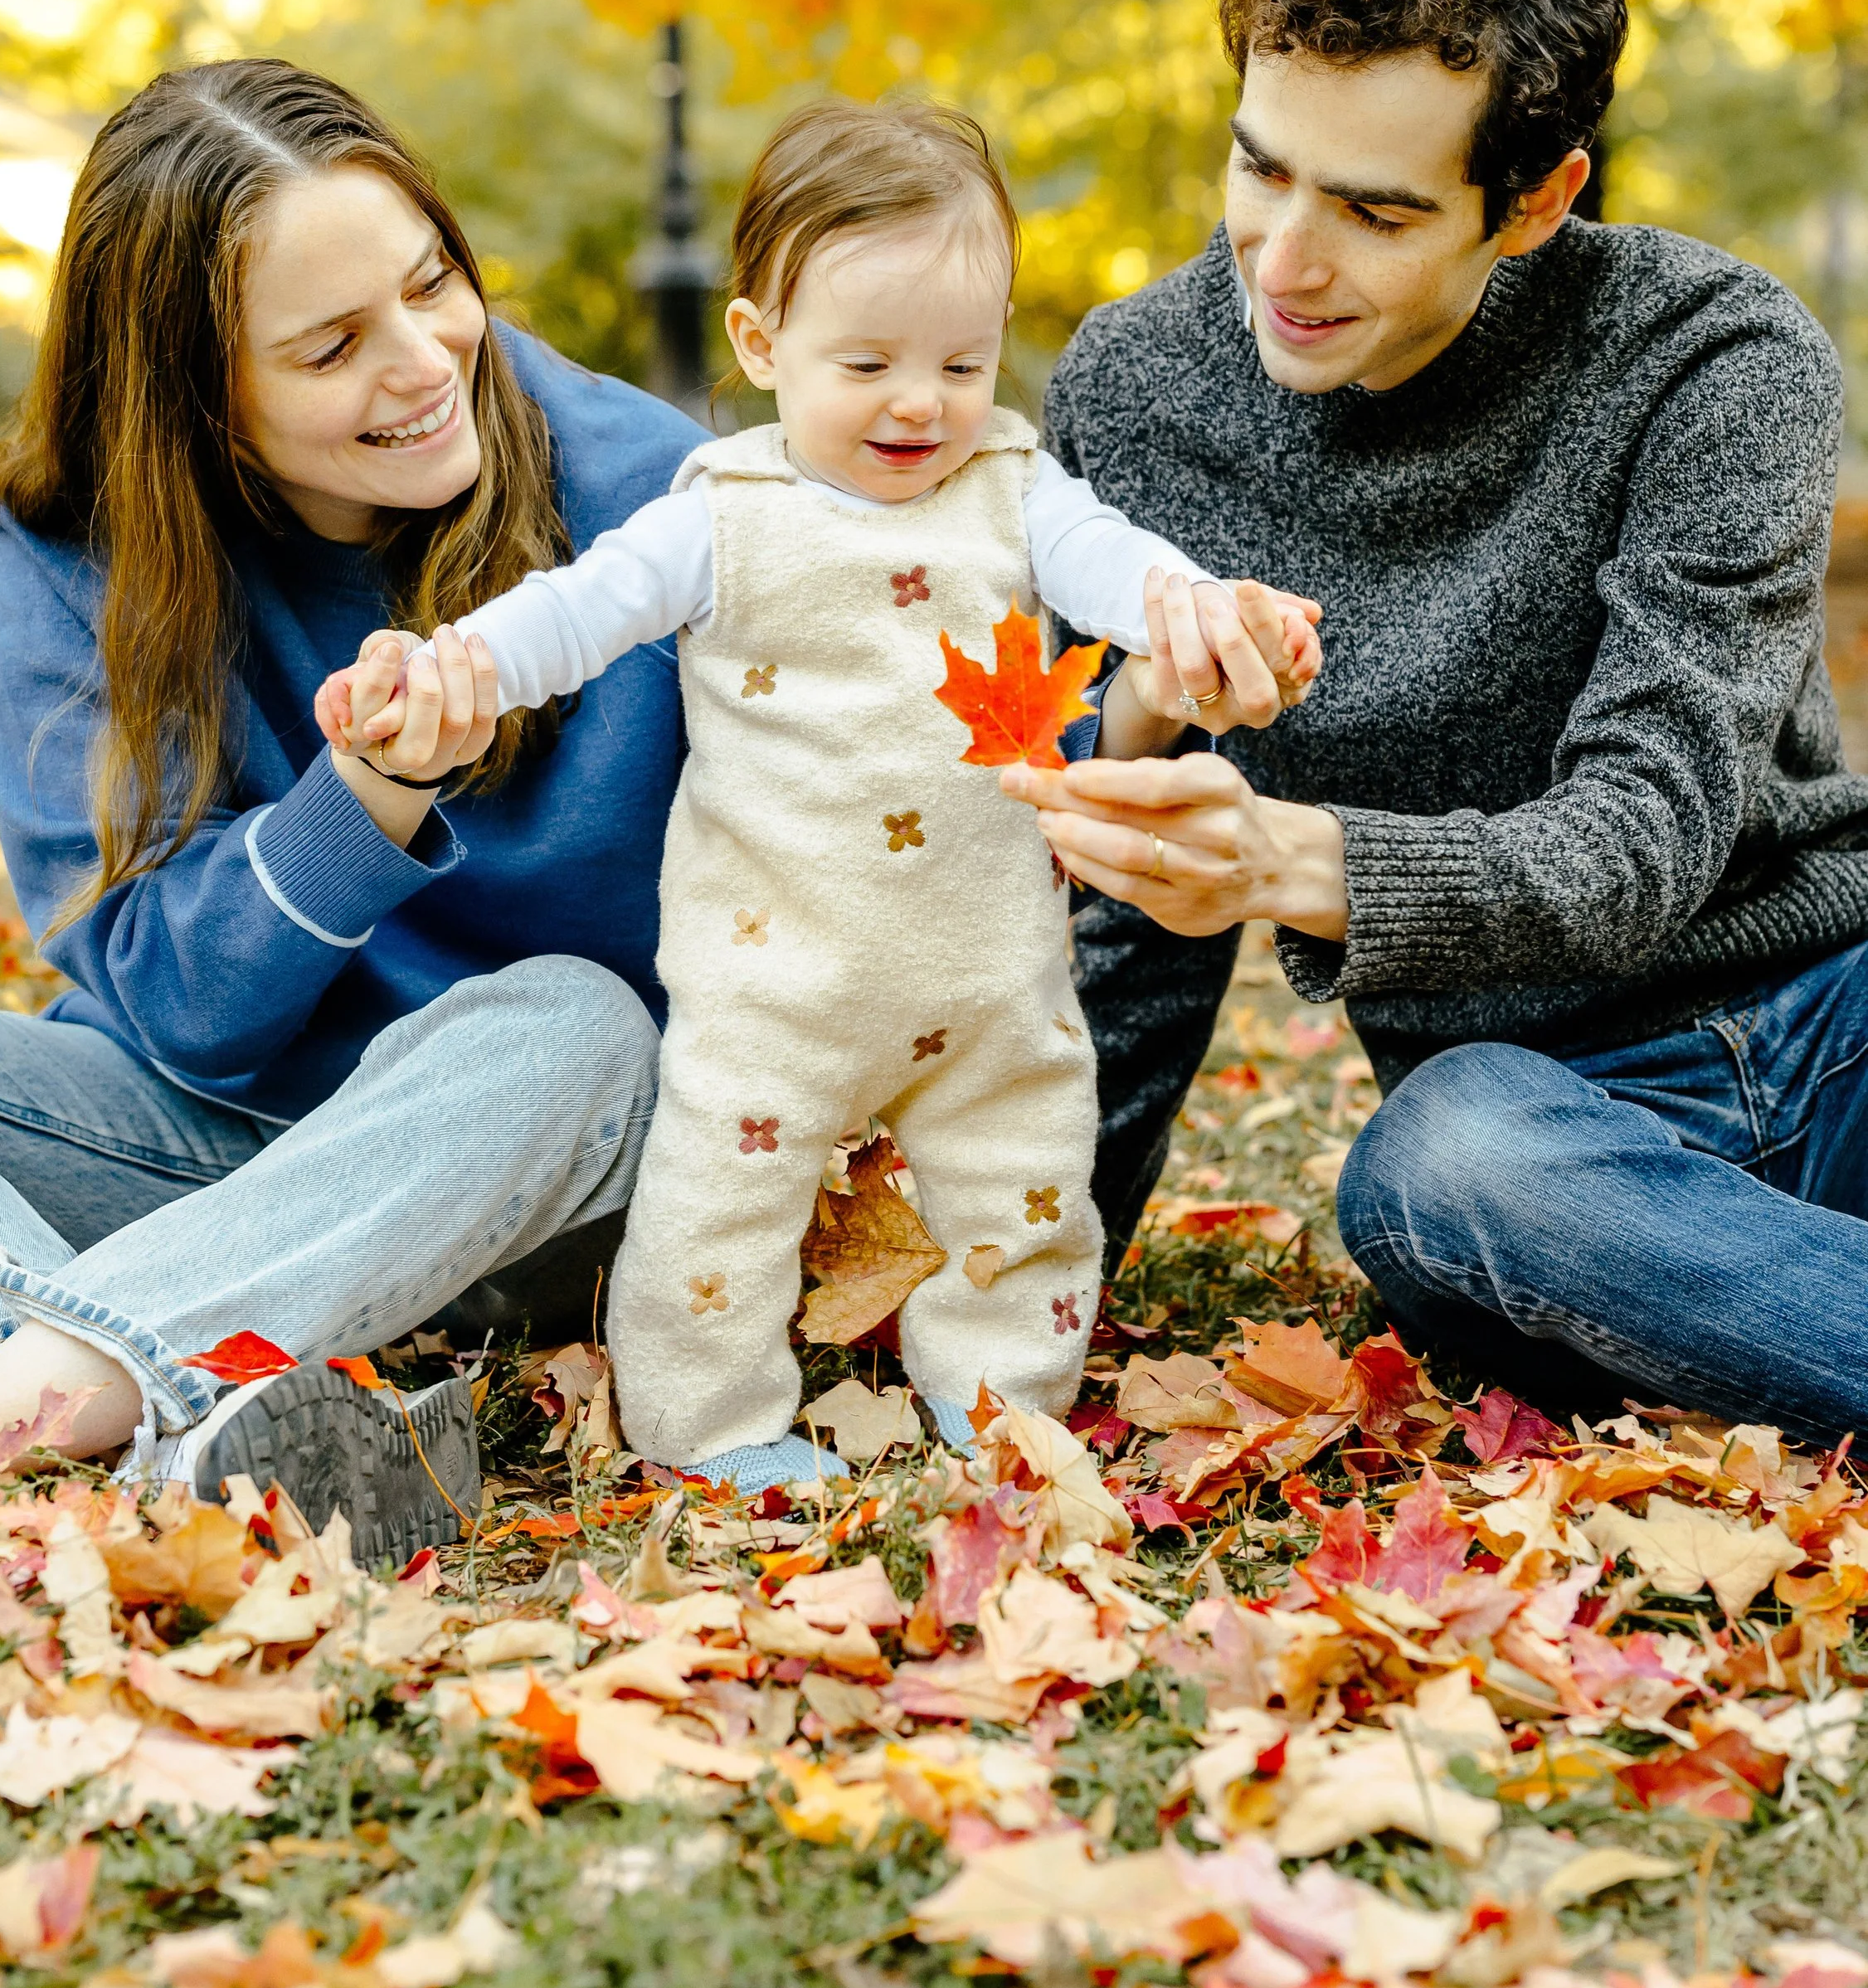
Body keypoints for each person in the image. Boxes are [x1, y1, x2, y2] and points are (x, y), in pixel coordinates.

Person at [1005, 0, 1868, 1444]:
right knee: (1432, 1163)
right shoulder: (1134, 396)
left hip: (1832, 1012)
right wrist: (1035, 1294)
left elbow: (1639, 842)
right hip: (1538, 1136)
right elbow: (1129, 915)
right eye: (1258, 165)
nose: (1282, 259)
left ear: (1533, 202)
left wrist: (1282, 860)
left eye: (1373, 209)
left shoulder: (1716, 359)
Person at [323, 101, 1321, 1494]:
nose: (921, 401)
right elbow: (576, 612)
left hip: (988, 968)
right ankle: (713, 1420)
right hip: (774, 970)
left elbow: (1118, 564)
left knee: (1024, 1182)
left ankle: (1001, 1401)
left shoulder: (1013, 490)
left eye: (962, 360)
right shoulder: (720, 514)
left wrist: (1200, 607)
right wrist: (456, 667)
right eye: (867, 362)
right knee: (716, 1208)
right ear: (760, 346)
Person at [0, 58, 693, 1555]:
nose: (423, 362)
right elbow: (182, 1012)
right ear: (196, 399)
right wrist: (366, 797)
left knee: (582, 1025)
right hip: (213, 1150)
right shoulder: (82, 548)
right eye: (334, 344)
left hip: (523, 1179)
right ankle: (127, 1431)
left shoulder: (658, 503)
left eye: (431, 285)